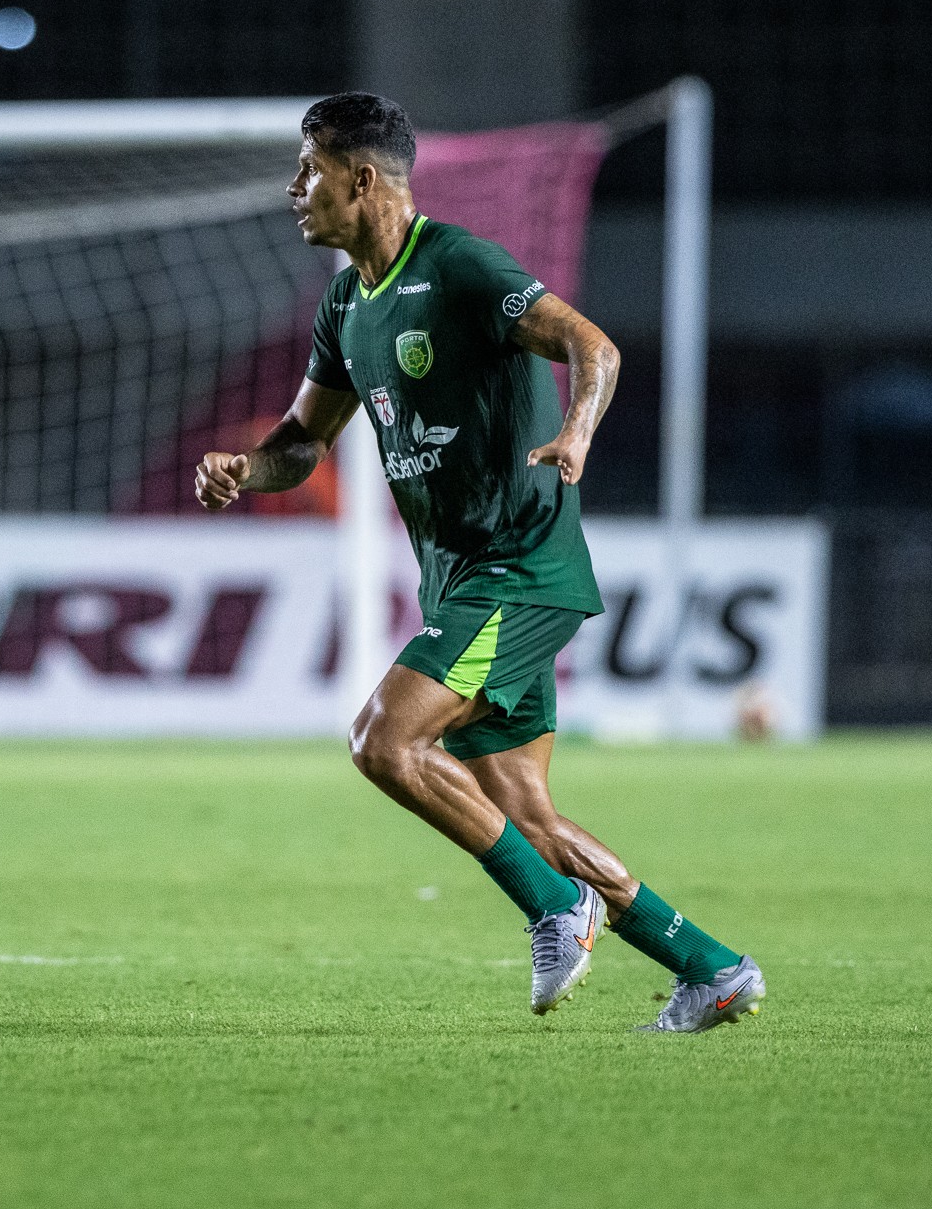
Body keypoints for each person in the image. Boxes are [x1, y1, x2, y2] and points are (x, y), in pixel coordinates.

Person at [196, 92, 762, 1034]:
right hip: (461, 578)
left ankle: (555, 908)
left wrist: (577, 430)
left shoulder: (459, 265)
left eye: (309, 171)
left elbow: (592, 345)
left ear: (361, 180)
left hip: (519, 566)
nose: (295, 189)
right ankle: (711, 967)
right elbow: (303, 440)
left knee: (383, 741)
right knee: (527, 817)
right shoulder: (346, 302)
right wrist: (245, 468)